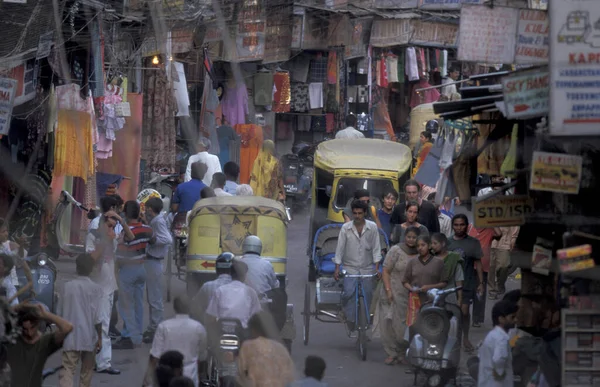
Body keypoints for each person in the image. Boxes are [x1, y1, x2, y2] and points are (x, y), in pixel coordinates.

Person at [85, 209, 133, 375]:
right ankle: (102, 362)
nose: (113, 231)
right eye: (110, 226)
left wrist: (121, 219)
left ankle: (98, 362)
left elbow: (131, 237)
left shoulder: (111, 238)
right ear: (102, 226)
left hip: (109, 287)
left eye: (114, 227)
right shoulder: (93, 237)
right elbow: (90, 260)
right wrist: (105, 241)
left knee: (102, 324)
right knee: (101, 325)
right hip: (97, 288)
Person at [333, 200, 382, 332]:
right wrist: (337, 268)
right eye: (354, 213)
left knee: (368, 294)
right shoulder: (346, 228)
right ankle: (349, 317)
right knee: (348, 293)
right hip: (350, 267)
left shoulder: (372, 227)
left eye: (360, 213)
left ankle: (366, 321)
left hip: (367, 267)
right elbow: (340, 249)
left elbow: (376, 249)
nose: (357, 216)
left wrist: (376, 268)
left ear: (365, 213)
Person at [377, 227, 420, 365]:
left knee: (405, 325)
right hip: (392, 292)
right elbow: (386, 270)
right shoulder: (396, 250)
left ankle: (402, 352)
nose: (411, 240)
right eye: (409, 237)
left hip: (410, 295)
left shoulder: (421, 252)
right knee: (388, 324)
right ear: (404, 237)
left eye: (414, 237)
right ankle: (391, 353)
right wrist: (388, 290)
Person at [59, 254, 102, 387]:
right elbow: (98, 318)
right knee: (87, 371)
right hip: (89, 336)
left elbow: (59, 313)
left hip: (69, 335)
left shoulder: (67, 287)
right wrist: (100, 338)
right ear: (91, 269)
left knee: (68, 369)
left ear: (76, 268)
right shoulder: (96, 289)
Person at [114, 200, 152, 349]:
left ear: (125, 214)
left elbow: (121, 253)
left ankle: (128, 336)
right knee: (138, 304)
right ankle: (137, 335)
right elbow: (153, 239)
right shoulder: (146, 229)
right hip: (142, 269)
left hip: (128, 270)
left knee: (126, 305)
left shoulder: (126, 231)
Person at [7, 303, 73, 387]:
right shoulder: (13, 341)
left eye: (32, 327)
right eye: (25, 329)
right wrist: (18, 308)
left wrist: (45, 315)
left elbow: (67, 327)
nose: (30, 333)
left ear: (38, 323)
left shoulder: (44, 342)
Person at [146, 297, 208, 387]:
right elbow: (202, 354)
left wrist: (147, 376)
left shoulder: (163, 326)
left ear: (174, 308)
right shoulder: (198, 327)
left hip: (166, 375)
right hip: (191, 373)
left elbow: (155, 355)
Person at [447, 214, 484, 352]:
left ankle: (465, 338)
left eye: (462, 224)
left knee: (464, 312)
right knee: (451, 313)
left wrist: (481, 283)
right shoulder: (448, 242)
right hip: (450, 285)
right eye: (456, 225)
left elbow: (478, 263)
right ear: (452, 226)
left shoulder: (473, 242)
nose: (459, 227)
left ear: (467, 226)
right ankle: (452, 339)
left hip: (467, 282)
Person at [205, 253, 261, 329]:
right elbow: (257, 316)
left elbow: (211, 316)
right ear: (244, 276)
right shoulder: (251, 292)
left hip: (221, 330)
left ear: (230, 274)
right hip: (243, 333)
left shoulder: (220, 290)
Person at [237, 312, 295, 387]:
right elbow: (290, 376)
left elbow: (241, 373)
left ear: (253, 329)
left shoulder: (247, 346)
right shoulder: (281, 348)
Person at [143, 197, 173, 344]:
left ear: (150, 208)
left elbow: (167, 239)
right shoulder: (156, 220)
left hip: (154, 261)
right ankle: (154, 326)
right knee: (153, 297)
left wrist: (153, 239)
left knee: (154, 298)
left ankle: (156, 328)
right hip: (152, 261)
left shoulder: (157, 221)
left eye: (146, 208)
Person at [477, 300, 518, 387]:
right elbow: (499, 359)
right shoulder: (502, 338)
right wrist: (500, 373)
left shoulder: (493, 334)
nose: (516, 320)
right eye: (512, 317)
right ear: (501, 319)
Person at [468, 224, 501, 327]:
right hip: (468, 265)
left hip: (483, 267)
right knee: (467, 292)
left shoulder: (490, 229)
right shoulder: (470, 227)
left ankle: (476, 319)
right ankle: (463, 316)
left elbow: (499, 234)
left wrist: (491, 221)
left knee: (480, 293)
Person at [402, 235, 448, 305]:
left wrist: (430, 287)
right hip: (415, 300)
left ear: (429, 246)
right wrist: (412, 289)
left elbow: (444, 283)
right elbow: (405, 281)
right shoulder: (412, 262)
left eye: (423, 245)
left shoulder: (439, 262)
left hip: (433, 300)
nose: (420, 248)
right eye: (418, 246)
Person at [191, 253, 234, 324]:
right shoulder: (242, 288)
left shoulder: (207, 286)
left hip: (212, 328)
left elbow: (196, 305)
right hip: (237, 329)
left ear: (217, 268)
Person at [0, 218, 34, 302]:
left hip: (10, 286)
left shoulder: (8, 247)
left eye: (7, 231)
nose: (6, 234)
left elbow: (22, 262)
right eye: (3, 232)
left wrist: (21, 246)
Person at [431, 233, 464, 305]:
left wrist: (460, 298)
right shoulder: (430, 257)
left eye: (435, 243)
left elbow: (459, 279)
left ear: (443, 244)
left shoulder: (454, 258)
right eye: (431, 243)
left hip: (450, 294)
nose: (432, 246)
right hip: (433, 294)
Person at [489, 226, 519, 300]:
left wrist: (514, 238)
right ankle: (492, 290)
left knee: (503, 266)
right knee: (490, 267)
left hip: (505, 242)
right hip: (490, 241)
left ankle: (500, 284)